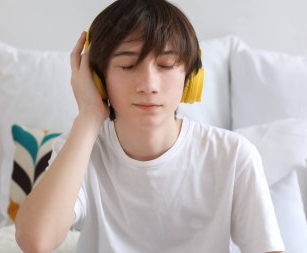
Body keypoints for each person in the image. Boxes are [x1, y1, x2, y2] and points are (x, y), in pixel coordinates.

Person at [15, 0, 285, 252]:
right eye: (128, 65)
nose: (149, 85)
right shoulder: (80, 149)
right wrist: (88, 116)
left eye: (166, 65)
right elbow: (35, 241)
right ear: (98, 78)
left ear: (191, 79)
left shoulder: (234, 155)